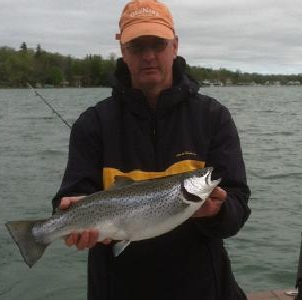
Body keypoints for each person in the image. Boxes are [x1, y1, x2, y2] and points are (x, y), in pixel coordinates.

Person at [52, 0, 251, 299]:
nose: (148, 56)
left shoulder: (213, 117)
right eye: (137, 46)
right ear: (123, 52)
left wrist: (218, 212)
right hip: (117, 289)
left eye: (157, 44)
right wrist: (71, 222)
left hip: (203, 289)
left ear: (175, 46)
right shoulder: (93, 124)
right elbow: (69, 198)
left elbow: (238, 208)